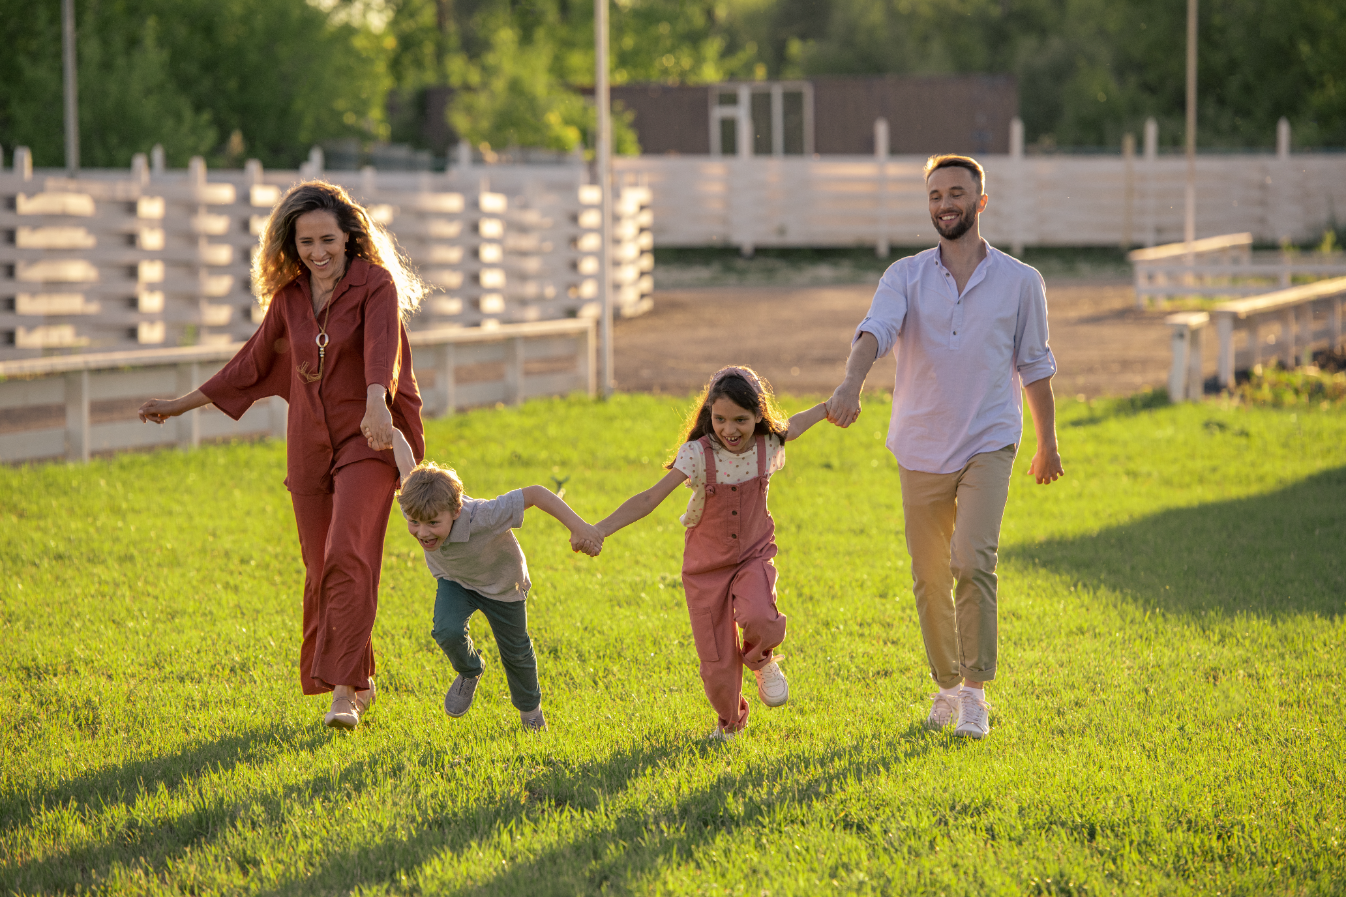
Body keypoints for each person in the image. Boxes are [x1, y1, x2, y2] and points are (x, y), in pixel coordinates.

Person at [138, 180, 429, 730]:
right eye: (305, 244)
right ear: (290, 247)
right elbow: (248, 363)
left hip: (371, 438)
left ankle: (342, 693)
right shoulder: (291, 299)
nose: (317, 253)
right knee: (321, 566)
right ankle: (360, 679)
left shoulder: (376, 285)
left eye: (327, 240)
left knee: (349, 551)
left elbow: (381, 351)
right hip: (309, 445)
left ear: (349, 238)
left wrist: (376, 405)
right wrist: (179, 405)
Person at [825, 154, 1064, 741]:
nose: (944, 204)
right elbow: (874, 332)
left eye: (956, 193)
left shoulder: (1020, 281)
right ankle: (947, 685)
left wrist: (1047, 443)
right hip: (921, 443)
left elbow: (1035, 366)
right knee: (930, 574)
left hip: (990, 439)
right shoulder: (904, 276)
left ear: (980, 203)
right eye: (934, 195)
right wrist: (851, 382)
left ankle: (976, 695)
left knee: (972, 559)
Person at [594, 366, 828, 742]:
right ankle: (730, 723)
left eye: (741, 419)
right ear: (709, 415)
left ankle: (762, 659)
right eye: (719, 419)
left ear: (758, 415)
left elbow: (798, 423)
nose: (729, 429)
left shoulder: (768, 444)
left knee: (760, 617)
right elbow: (650, 498)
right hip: (705, 570)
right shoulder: (697, 456)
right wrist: (600, 529)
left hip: (752, 556)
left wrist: (837, 401)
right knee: (717, 664)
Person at [389, 428, 602, 731]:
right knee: (446, 629)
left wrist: (578, 527)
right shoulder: (416, 504)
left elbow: (536, 494)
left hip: (503, 585)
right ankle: (470, 669)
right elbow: (406, 464)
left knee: (515, 651)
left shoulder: (484, 515)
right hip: (456, 581)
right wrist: (393, 434)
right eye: (415, 524)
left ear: (456, 510)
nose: (422, 532)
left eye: (433, 524)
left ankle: (530, 714)